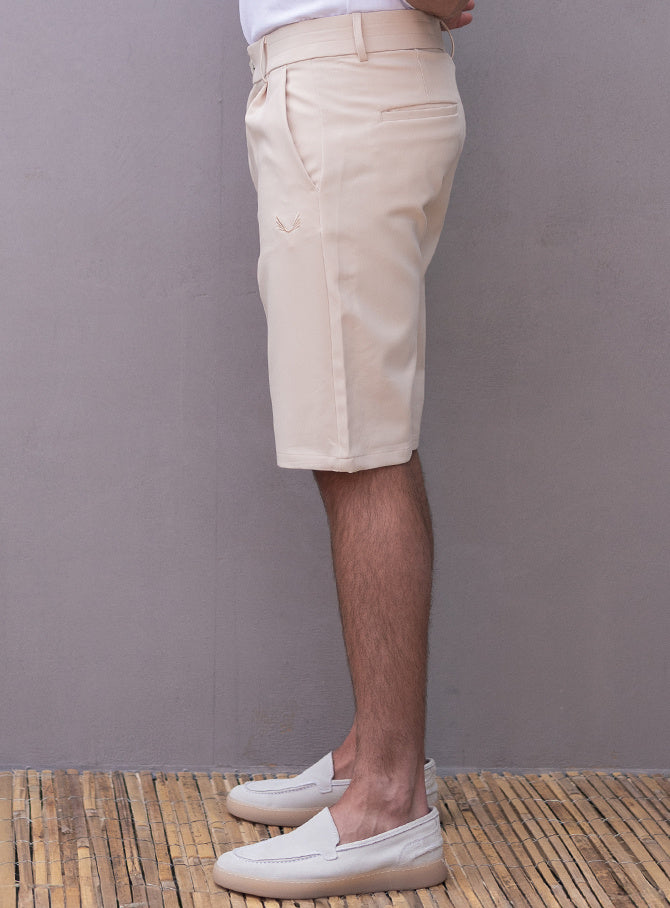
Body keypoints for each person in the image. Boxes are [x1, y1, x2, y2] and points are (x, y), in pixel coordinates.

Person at [214, 0, 474, 898]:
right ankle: (375, 755)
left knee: (360, 444)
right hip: (341, 86)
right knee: (355, 432)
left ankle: (387, 806)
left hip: (343, 92)